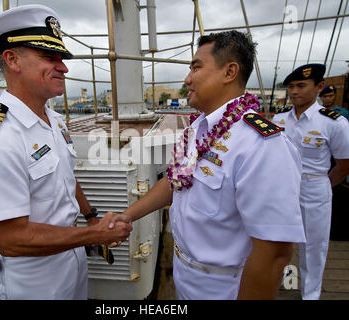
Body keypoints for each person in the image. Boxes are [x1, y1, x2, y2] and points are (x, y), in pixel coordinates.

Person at [109, 31, 306, 300]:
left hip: (224, 287)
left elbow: (273, 253)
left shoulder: (261, 145)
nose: (187, 79)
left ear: (230, 72)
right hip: (184, 274)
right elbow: (177, 181)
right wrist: (128, 215)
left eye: (196, 68)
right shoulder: (199, 128)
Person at [0, 5, 132, 300]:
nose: (63, 67)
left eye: (61, 57)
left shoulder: (53, 121)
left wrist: (90, 217)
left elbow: (65, 177)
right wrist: (95, 234)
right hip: (31, 276)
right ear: (12, 59)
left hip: (70, 255)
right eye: (49, 57)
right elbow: (11, 239)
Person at [272, 64, 349, 300]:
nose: (294, 92)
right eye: (290, 87)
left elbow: (347, 165)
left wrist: (323, 185)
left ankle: (310, 295)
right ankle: (276, 284)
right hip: (281, 188)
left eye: (301, 86)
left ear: (319, 87)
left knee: (313, 247)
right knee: (277, 240)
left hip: (315, 186)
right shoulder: (278, 120)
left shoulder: (333, 122)